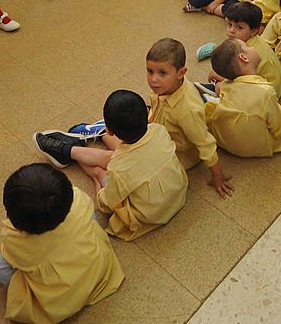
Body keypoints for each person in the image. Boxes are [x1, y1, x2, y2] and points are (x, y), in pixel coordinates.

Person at [33, 90, 188, 242]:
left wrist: (98, 186)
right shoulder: (159, 130)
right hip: (177, 192)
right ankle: (75, 146)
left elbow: (107, 204)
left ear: (111, 131)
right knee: (125, 154)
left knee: (100, 171)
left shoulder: (117, 169)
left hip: (149, 215)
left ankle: (70, 150)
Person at [0, 163, 125, 323]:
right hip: (98, 274)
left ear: (13, 217)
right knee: (89, 222)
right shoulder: (78, 198)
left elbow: (18, 263)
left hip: (56, 303)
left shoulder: (14, 239)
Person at [143, 38, 234, 197]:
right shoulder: (166, 87)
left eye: (162, 73)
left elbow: (205, 143)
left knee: (123, 158)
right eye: (150, 71)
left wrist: (218, 176)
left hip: (177, 156)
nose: (153, 79)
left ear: (181, 73)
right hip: (159, 132)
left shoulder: (187, 110)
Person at [207, 39, 281, 157]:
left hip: (225, 140)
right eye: (247, 47)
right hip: (254, 147)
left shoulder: (226, 85)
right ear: (244, 58)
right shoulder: (266, 91)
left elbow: (221, 89)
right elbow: (277, 126)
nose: (252, 48)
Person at [222, 2, 281, 98]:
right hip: (273, 86)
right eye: (229, 24)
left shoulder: (247, 52)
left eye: (239, 27)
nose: (231, 30)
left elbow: (239, 76)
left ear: (254, 31)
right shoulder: (254, 41)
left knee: (222, 86)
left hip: (266, 95)